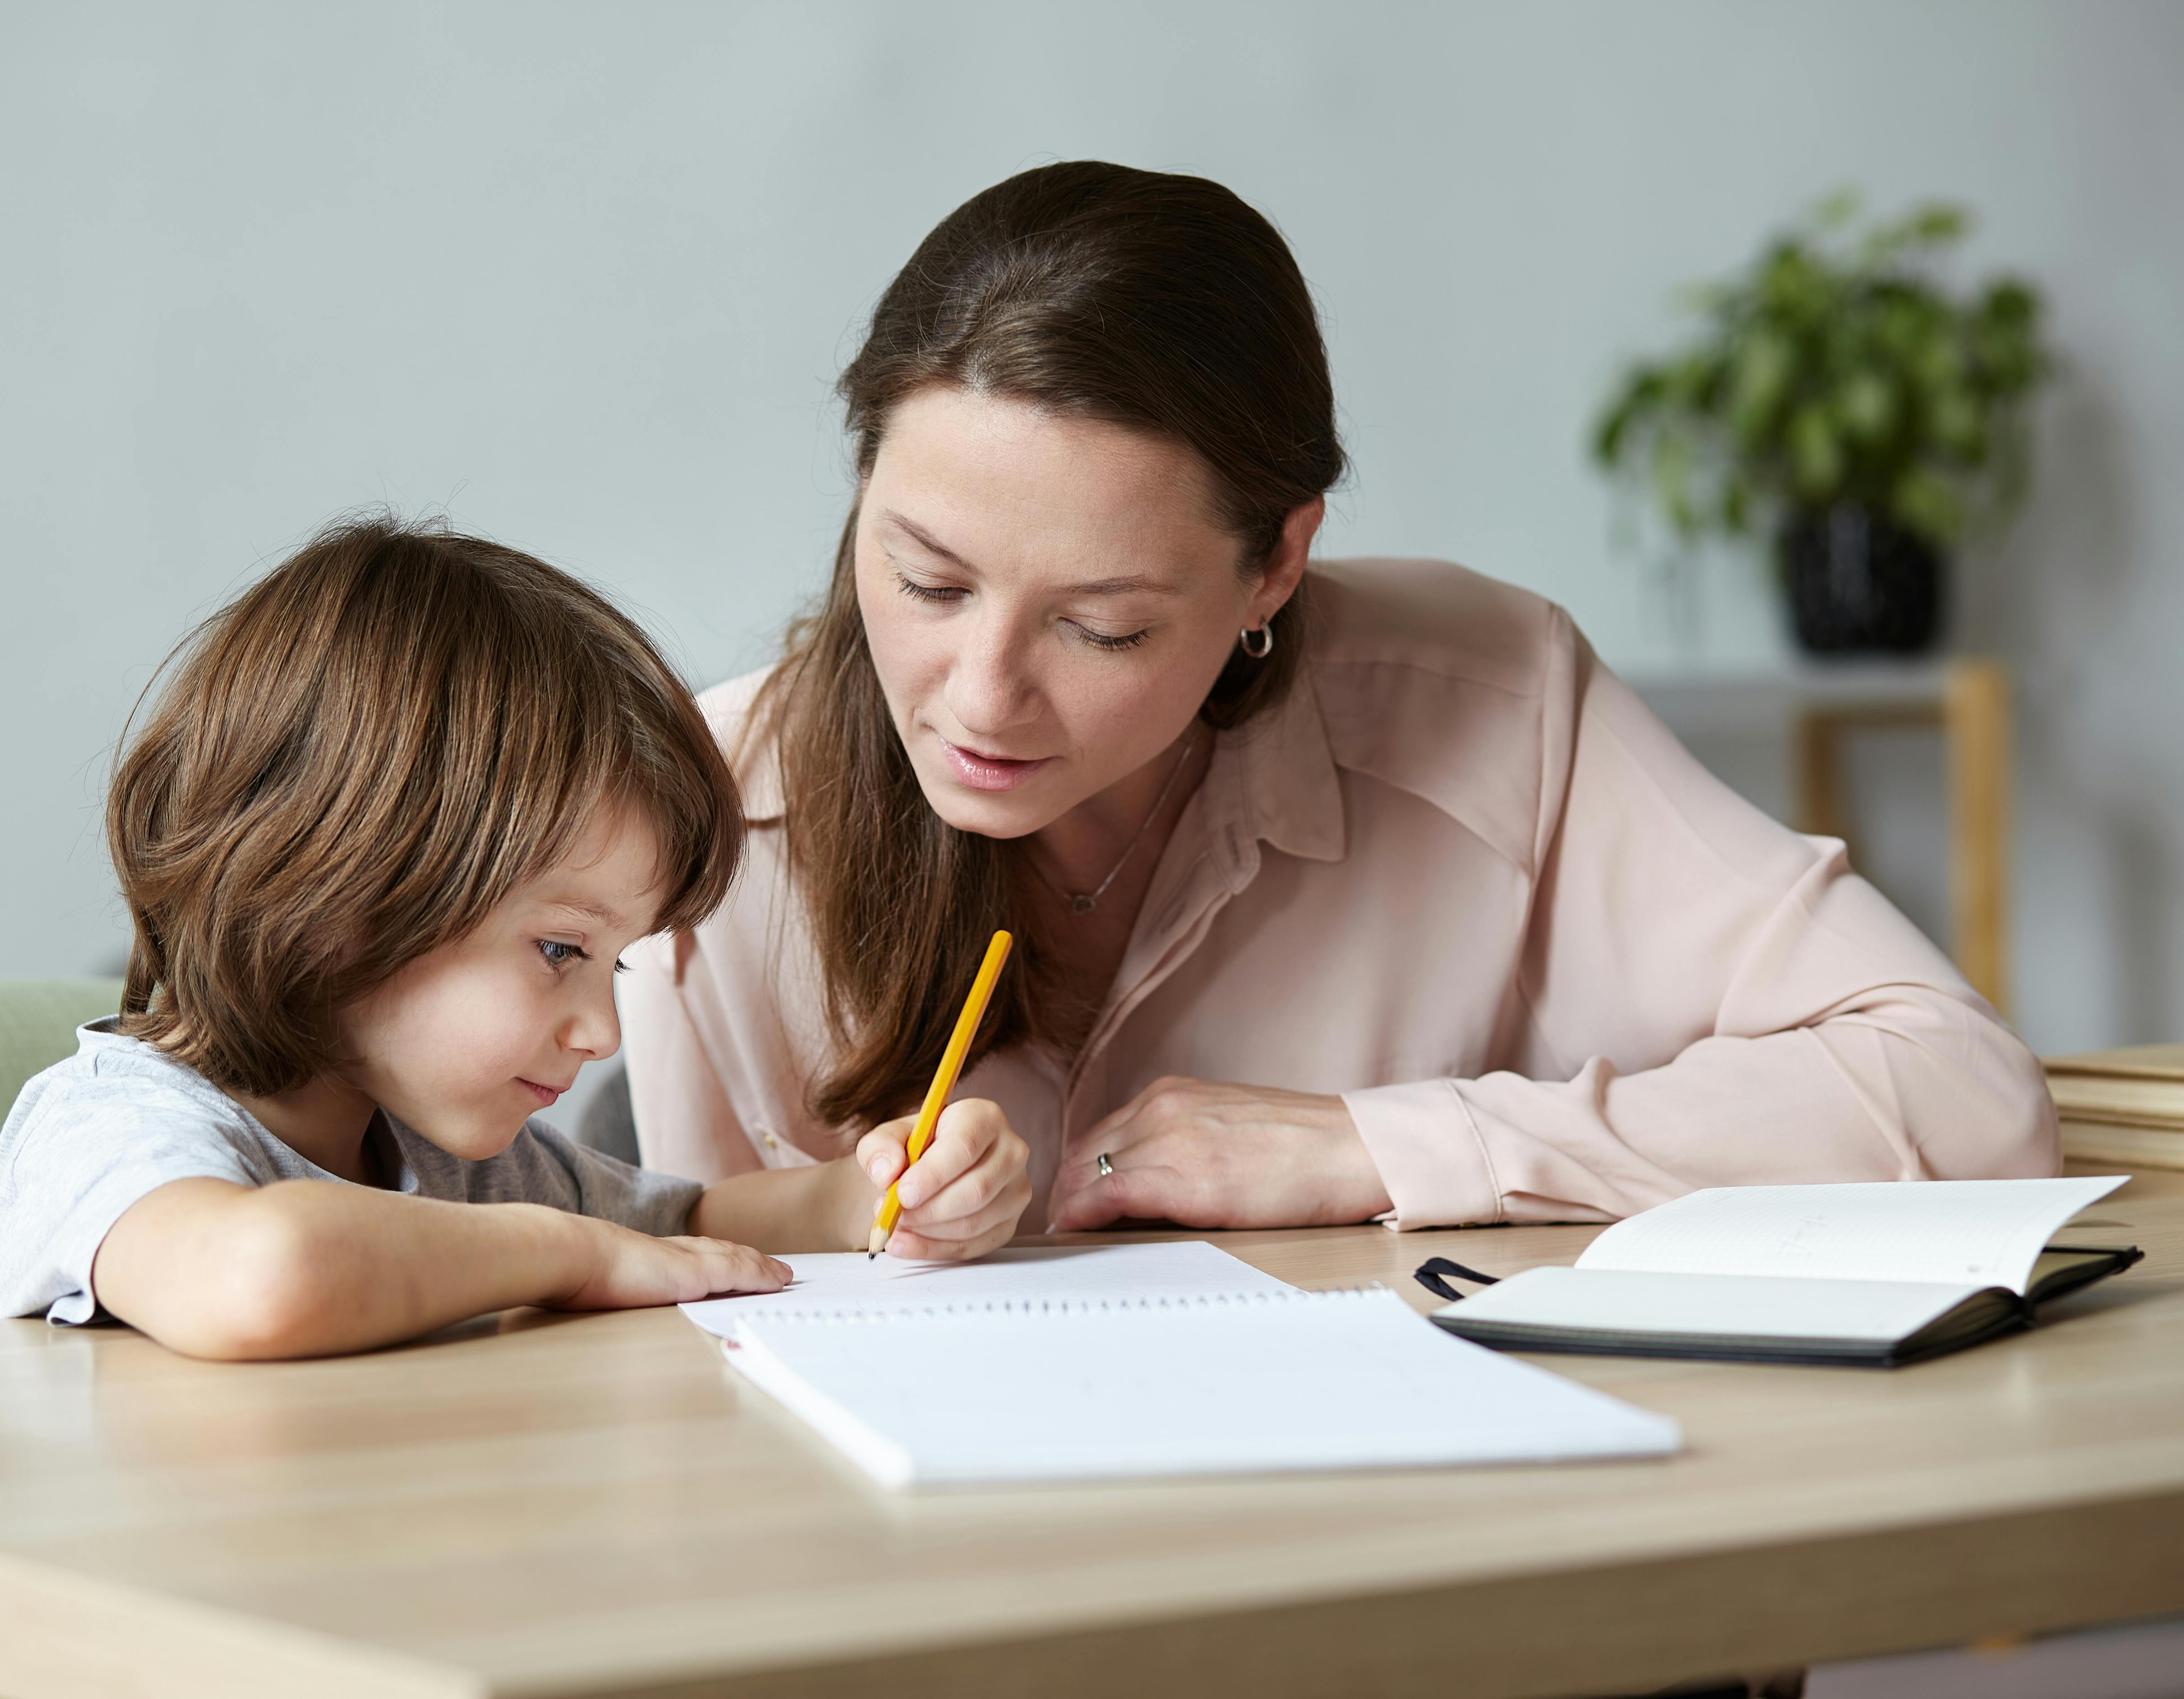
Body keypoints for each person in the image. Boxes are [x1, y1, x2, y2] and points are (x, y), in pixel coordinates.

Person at [619, 162, 2056, 1237]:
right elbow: (685, 1322)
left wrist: (1377, 1149)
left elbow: (1964, 1092)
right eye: (928, 584)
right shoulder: (713, 813)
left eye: (1104, 627)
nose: (982, 697)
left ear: (1276, 565)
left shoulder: (1486, 697)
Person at [0, 517, 1031, 1359]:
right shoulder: (110, 1129)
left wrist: (871, 1192)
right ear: (340, 901)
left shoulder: (442, 1151)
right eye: (562, 952)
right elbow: (266, 1278)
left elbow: (689, 1219)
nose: (603, 1033)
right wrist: (561, 1252)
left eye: (616, 965)